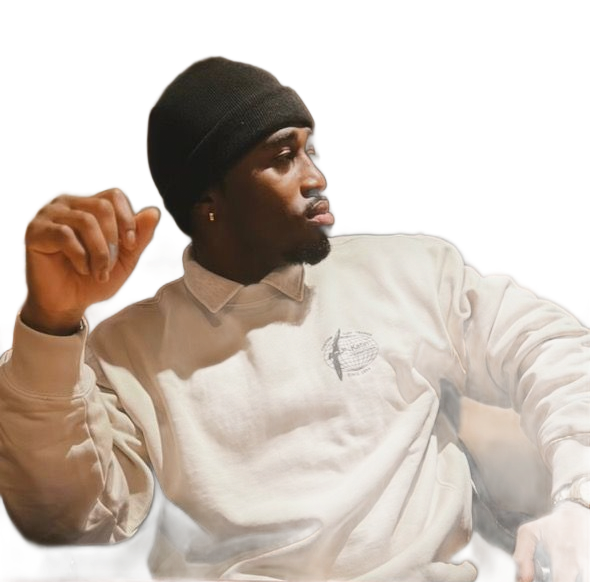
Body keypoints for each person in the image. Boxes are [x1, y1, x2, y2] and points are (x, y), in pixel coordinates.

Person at [0, 55, 588, 582]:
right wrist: (50, 321)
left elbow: (552, 348)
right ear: (208, 203)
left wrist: (580, 496)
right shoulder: (128, 350)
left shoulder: (409, 270)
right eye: (283, 158)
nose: (316, 178)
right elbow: (69, 520)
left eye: (313, 152)